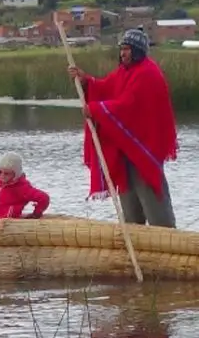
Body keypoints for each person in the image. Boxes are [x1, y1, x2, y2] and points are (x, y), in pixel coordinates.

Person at [68, 26, 177, 227]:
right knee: (129, 202)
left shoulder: (147, 73)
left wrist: (95, 109)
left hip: (145, 148)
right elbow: (106, 88)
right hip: (126, 149)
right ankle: (134, 242)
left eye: (127, 49)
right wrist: (86, 82)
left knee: (152, 201)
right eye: (121, 49)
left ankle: (166, 238)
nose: (123, 53)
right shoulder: (124, 72)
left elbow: (128, 105)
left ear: (137, 51)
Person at [0, 151, 50, 219]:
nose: (2, 176)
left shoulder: (21, 187)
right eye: (0, 172)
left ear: (15, 174)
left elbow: (44, 198)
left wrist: (36, 213)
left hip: (9, 224)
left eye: (6, 173)